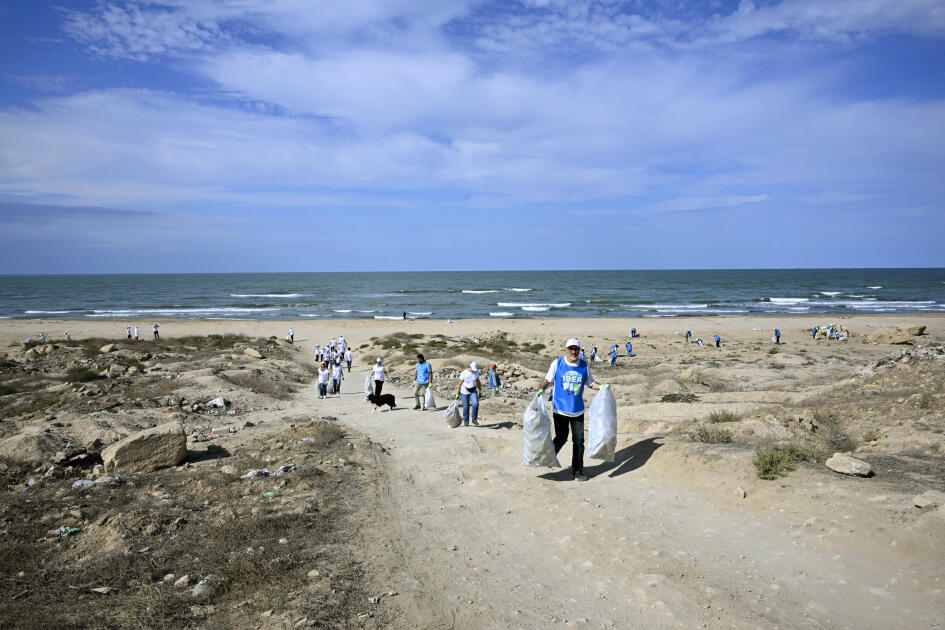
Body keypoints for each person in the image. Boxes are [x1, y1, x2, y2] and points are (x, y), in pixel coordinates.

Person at [536, 338, 604, 482]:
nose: (574, 351)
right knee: (561, 437)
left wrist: (602, 387)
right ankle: (549, 458)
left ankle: (578, 472)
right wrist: (541, 390)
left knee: (579, 441)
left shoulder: (584, 365)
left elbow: (590, 383)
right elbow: (547, 379)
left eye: (576, 349)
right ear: (566, 349)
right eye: (571, 348)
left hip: (577, 410)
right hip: (560, 410)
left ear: (579, 350)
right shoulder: (557, 363)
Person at [455, 362, 482, 426]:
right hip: (464, 391)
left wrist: (480, 390)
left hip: (473, 390)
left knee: (475, 404)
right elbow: (460, 384)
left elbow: (478, 381)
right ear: (470, 367)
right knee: (466, 407)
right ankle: (466, 421)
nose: (474, 371)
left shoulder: (476, 372)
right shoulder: (464, 373)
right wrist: (457, 394)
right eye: (473, 369)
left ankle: (474, 419)